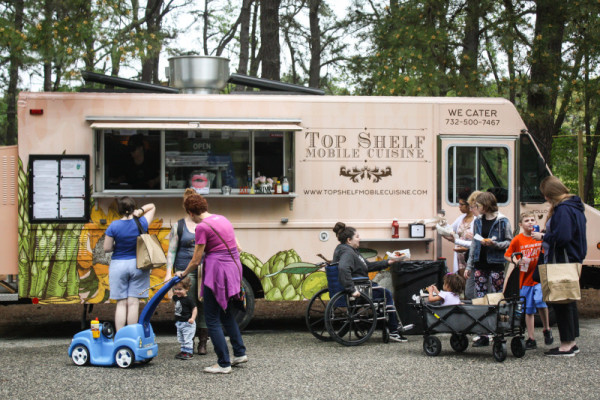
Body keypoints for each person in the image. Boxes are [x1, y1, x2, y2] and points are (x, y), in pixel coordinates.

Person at [175, 192, 247, 374]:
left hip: (217, 274)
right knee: (227, 314)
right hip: (234, 270)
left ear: (190, 213)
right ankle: (239, 353)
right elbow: (238, 247)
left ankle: (223, 363)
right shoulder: (223, 219)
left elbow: (195, 260)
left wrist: (182, 274)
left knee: (212, 318)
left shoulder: (202, 227)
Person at [532, 176, 587, 357]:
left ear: (551, 194)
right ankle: (571, 341)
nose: (545, 199)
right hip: (572, 258)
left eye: (546, 195)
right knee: (569, 300)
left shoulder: (563, 209)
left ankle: (566, 345)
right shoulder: (575, 207)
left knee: (561, 301)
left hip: (561, 260)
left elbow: (563, 236)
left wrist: (544, 237)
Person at [332, 222, 409, 342]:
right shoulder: (348, 253)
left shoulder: (351, 251)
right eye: (357, 237)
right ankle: (394, 329)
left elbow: (368, 266)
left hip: (361, 284)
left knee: (382, 291)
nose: (359, 239)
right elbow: (343, 268)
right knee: (386, 294)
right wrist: (351, 290)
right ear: (349, 240)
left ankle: (394, 324)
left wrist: (388, 262)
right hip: (360, 287)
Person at [465, 191, 512, 346]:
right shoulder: (478, 221)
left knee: (496, 296)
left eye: (478, 205)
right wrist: (469, 265)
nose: (476, 208)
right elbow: (474, 244)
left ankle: (498, 330)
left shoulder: (502, 221)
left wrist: (495, 244)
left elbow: (509, 242)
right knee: (480, 297)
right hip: (480, 263)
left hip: (496, 263)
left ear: (485, 205)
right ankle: (483, 332)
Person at [165, 188, 209, 355]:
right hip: (184, 270)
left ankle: (203, 341)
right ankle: (188, 341)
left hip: (203, 270)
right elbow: (172, 250)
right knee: (185, 305)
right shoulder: (179, 226)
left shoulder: (204, 223)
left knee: (203, 304)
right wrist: (168, 272)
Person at [103, 198, 156, 331]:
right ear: (133, 208)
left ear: (119, 210)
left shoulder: (113, 226)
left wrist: (117, 246)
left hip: (118, 265)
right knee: (133, 303)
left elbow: (107, 248)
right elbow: (152, 206)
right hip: (138, 264)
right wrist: (140, 211)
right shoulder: (142, 222)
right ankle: (131, 335)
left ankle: (120, 336)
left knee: (121, 303)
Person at [504, 212, 553, 350]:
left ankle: (546, 328)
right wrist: (517, 261)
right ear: (520, 224)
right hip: (525, 279)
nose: (530, 223)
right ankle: (531, 338)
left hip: (538, 277)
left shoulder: (539, 237)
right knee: (528, 309)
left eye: (532, 220)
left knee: (540, 300)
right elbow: (508, 255)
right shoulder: (518, 239)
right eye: (527, 220)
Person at [443, 189, 475, 273]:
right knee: (461, 280)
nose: (459, 206)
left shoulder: (476, 220)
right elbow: (450, 229)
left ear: (469, 205)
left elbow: (480, 239)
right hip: (460, 255)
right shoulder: (461, 218)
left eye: (461, 204)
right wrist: (442, 223)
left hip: (470, 255)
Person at [172, 276, 198, 360]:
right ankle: (184, 351)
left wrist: (192, 318)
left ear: (186, 289)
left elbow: (194, 308)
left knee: (187, 338)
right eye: (175, 289)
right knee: (181, 338)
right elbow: (170, 295)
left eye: (180, 289)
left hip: (187, 323)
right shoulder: (176, 297)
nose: (177, 291)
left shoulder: (188, 299)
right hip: (179, 322)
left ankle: (189, 352)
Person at [463, 190, 482, 299]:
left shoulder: (497, 220)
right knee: (469, 292)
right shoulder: (477, 221)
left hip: (484, 262)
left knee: (479, 293)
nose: (470, 210)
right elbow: (475, 244)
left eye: (472, 207)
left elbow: (487, 240)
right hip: (474, 260)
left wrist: (474, 237)